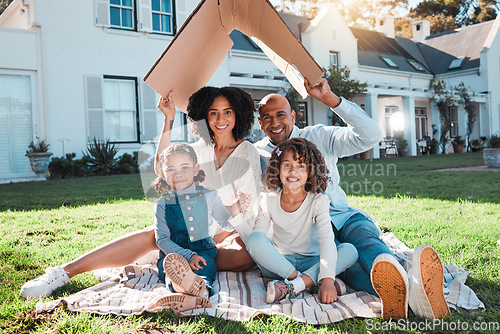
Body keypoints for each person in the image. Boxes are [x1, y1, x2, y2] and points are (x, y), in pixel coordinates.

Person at [19, 86, 261, 300]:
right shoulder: (198, 150)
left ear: (237, 114)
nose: (221, 119)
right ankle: (62, 273)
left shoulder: (246, 150)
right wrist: (168, 120)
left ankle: (176, 266)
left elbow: (245, 210)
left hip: (231, 231)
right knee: (154, 235)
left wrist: (211, 236)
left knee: (246, 257)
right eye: (213, 112)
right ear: (203, 117)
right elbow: (161, 167)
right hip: (193, 228)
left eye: (227, 111)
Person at [253, 78, 449, 320]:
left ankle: (413, 284)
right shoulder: (257, 154)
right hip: (310, 235)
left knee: (366, 244)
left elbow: (371, 135)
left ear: (293, 116)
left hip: (342, 215)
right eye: (268, 118)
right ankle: (409, 294)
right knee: (349, 269)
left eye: (281, 114)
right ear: (260, 124)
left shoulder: (319, 135)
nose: (275, 122)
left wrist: (331, 100)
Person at [243, 138, 358, 304]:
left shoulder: (318, 201)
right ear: (277, 168)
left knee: (350, 250)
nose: (293, 171)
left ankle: (293, 287)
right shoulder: (269, 201)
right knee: (253, 239)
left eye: (301, 166)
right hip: (281, 266)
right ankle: (305, 283)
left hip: (312, 261)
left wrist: (327, 279)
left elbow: (326, 240)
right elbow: (259, 237)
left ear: (310, 172)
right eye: (287, 165)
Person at [151, 143, 251, 310]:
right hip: (174, 254)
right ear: (163, 173)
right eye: (170, 170)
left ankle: (201, 293)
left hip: (203, 250)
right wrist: (186, 255)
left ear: (195, 169)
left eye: (184, 167)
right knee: (170, 272)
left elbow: (225, 224)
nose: (178, 174)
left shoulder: (210, 195)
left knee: (205, 271)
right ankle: (181, 290)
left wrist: (236, 210)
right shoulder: (162, 203)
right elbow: (161, 239)